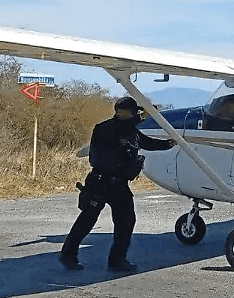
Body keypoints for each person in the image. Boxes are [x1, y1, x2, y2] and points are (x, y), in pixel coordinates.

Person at [59, 97, 175, 272]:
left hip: (119, 185)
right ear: (120, 111)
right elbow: (119, 134)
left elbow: (148, 143)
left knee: (126, 222)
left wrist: (168, 144)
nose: (135, 114)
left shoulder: (132, 132)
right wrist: (141, 117)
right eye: (132, 111)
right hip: (100, 182)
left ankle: (117, 260)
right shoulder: (105, 129)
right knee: (86, 221)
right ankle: (68, 256)